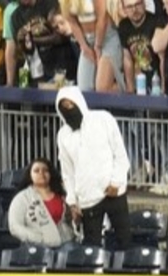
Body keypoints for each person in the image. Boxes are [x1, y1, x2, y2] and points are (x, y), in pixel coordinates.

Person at [54, 84, 133, 250]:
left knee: (123, 242)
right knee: (91, 248)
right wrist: (72, 201)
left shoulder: (103, 119)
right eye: (64, 106)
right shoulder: (63, 136)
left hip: (113, 193)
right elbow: (68, 172)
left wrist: (116, 182)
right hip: (88, 199)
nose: (69, 109)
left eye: (71, 104)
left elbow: (120, 155)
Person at [8, 157, 80, 249]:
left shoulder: (62, 195)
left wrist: (75, 217)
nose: (41, 173)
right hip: (35, 245)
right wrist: (38, 237)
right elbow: (15, 227)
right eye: (36, 171)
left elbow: (72, 221)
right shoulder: (21, 198)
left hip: (65, 243)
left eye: (45, 170)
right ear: (30, 175)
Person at [116, 0, 168, 93]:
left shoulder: (156, 21)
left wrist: (163, 88)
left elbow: (162, 58)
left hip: (157, 81)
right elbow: (127, 59)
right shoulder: (123, 26)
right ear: (124, 9)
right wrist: (130, 88)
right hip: (140, 80)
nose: (134, 10)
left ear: (144, 4)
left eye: (137, 4)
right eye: (129, 7)